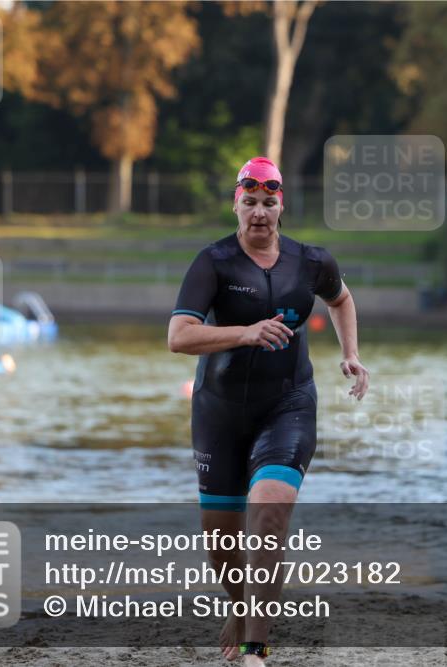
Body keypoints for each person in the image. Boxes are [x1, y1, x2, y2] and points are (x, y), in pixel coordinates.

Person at [167, 157, 369, 665]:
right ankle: (241, 607)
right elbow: (179, 337)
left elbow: (341, 301)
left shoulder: (311, 261)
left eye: (269, 202)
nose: (259, 212)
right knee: (221, 545)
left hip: (288, 404)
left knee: (271, 510)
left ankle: (257, 649)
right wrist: (245, 332)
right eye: (250, 202)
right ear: (236, 203)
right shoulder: (212, 262)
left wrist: (350, 354)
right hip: (219, 412)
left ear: (282, 205)